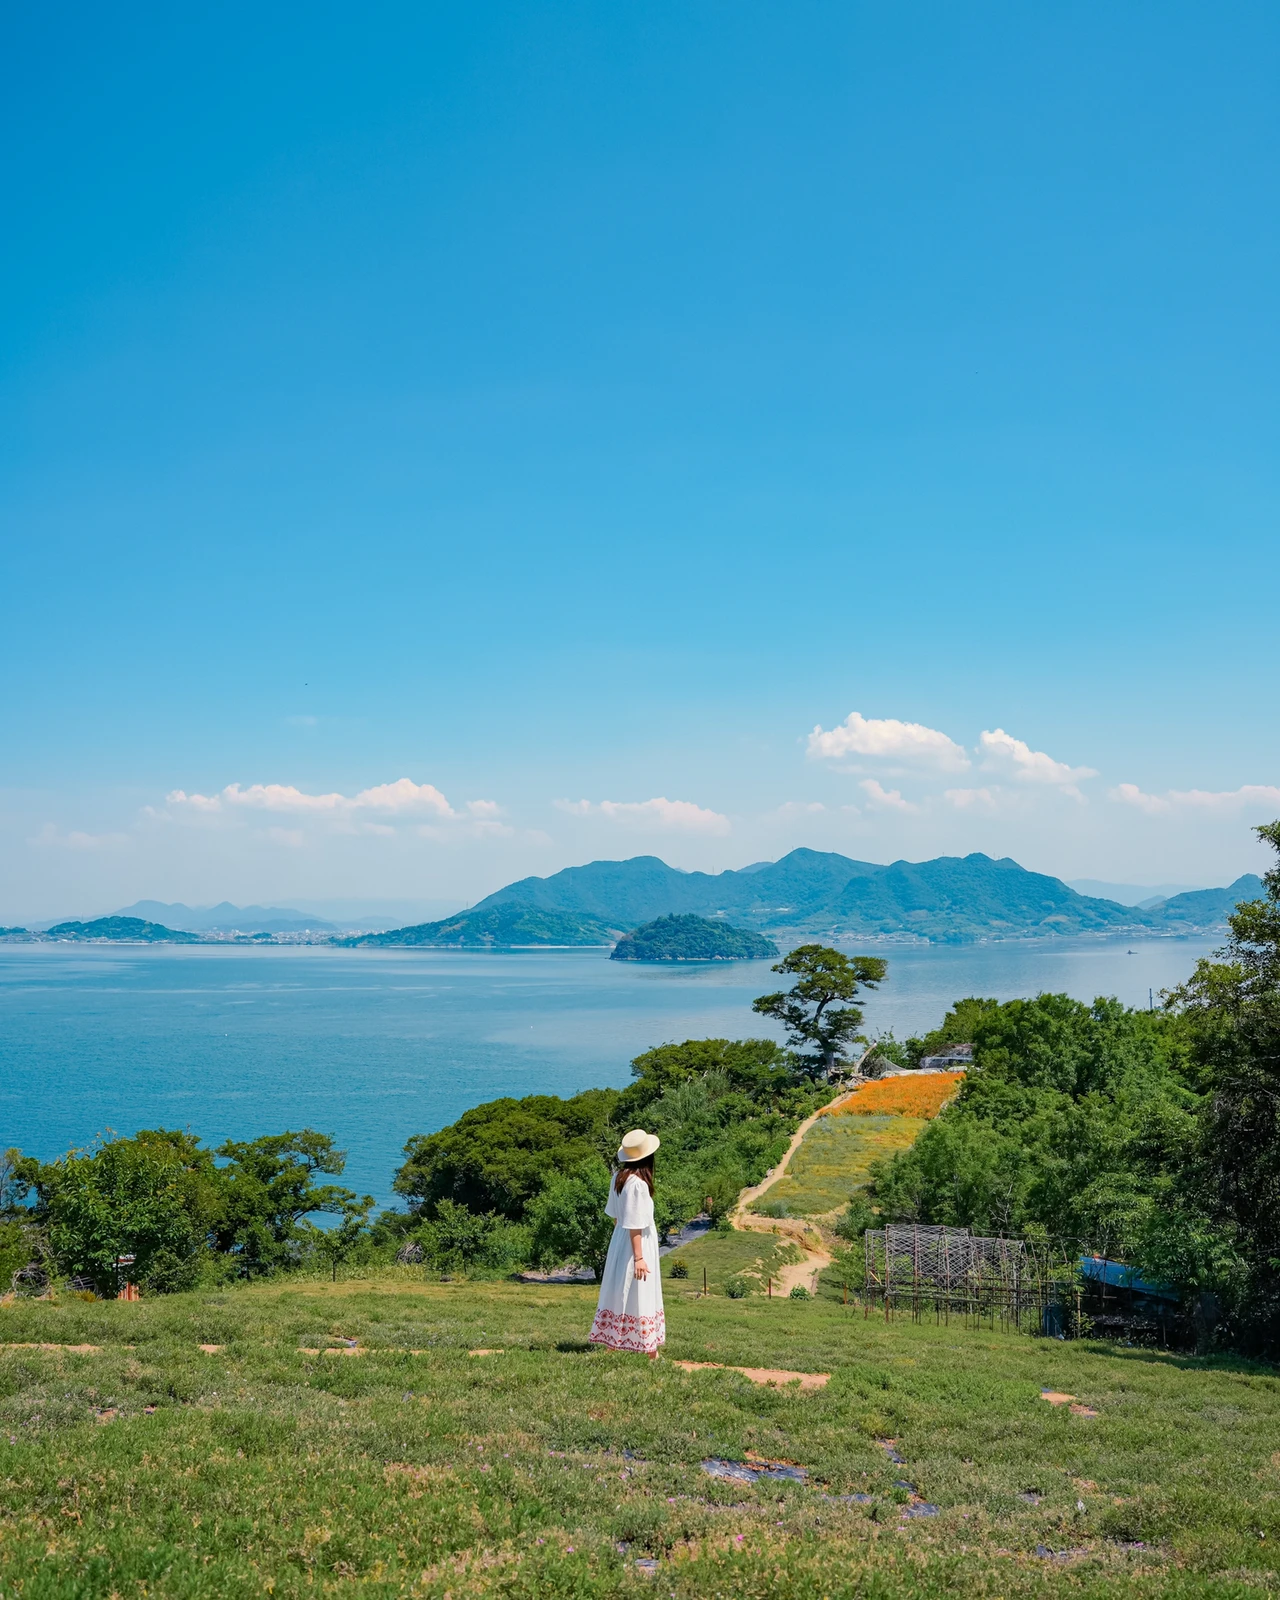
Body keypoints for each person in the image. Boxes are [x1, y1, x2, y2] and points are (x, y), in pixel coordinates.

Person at [588, 1128, 665, 1358]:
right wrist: (639, 1257)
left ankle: (612, 1345)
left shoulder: (618, 1179)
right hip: (637, 1243)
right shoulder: (638, 1185)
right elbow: (636, 1224)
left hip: (621, 1241)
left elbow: (616, 1216)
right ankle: (650, 1351)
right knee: (641, 1292)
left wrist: (621, 1247)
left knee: (621, 1291)